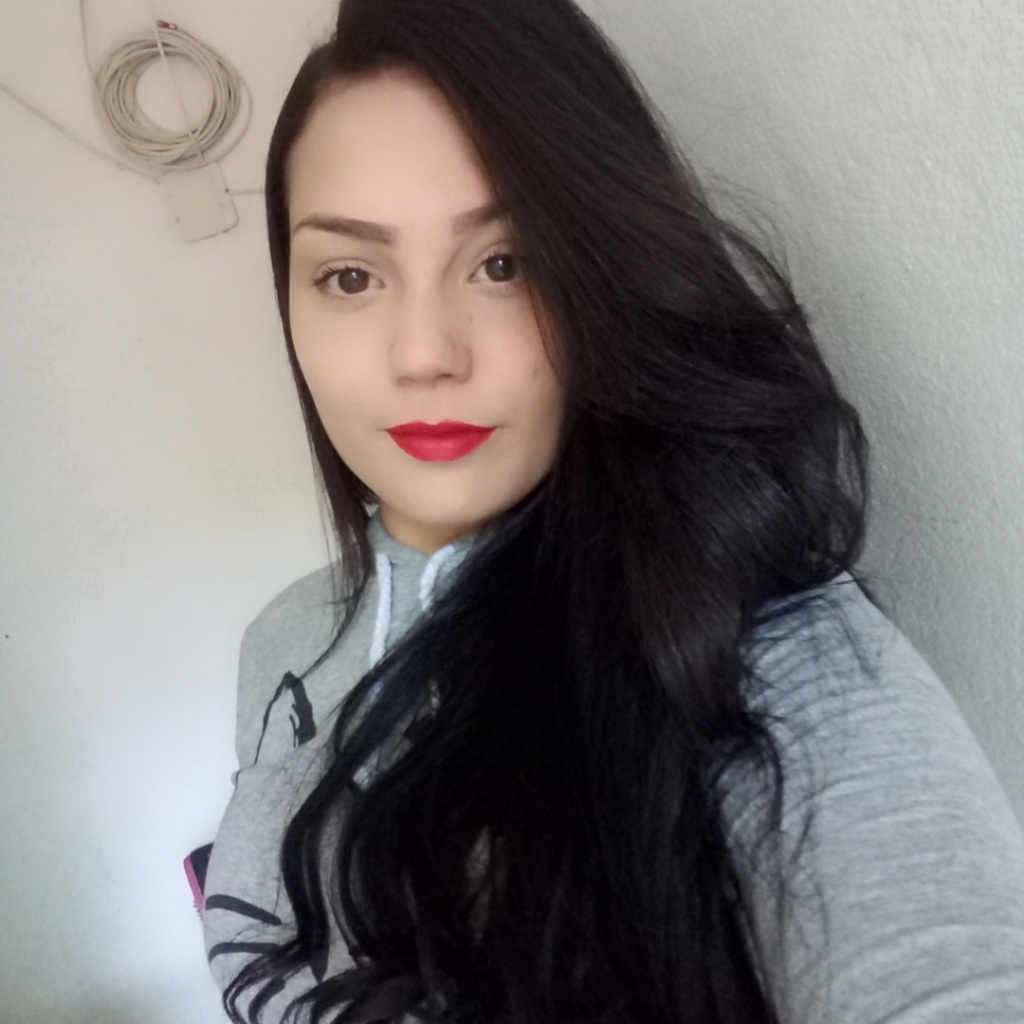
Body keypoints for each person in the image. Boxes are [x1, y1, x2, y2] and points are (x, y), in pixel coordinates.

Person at [200, 0, 1024, 1020]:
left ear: (601, 275)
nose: (424, 353)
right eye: (351, 274)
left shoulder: (734, 639)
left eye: (505, 264)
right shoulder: (278, 641)